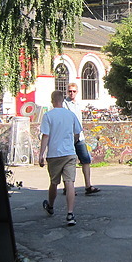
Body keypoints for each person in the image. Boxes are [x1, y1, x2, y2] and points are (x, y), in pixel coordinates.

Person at [39, 90, 82, 226]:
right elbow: (77, 133)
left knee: (54, 182)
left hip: (54, 154)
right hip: (69, 153)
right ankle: (70, 214)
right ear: (63, 100)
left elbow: (45, 136)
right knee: (70, 183)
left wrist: (41, 154)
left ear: (52, 101)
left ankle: (51, 206)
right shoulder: (70, 115)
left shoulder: (48, 116)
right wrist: (71, 143)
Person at [63, 82, 100, 196]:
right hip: (69, 137)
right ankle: (68, 188)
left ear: (77, 92)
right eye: (70, 91)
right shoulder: (65, 104)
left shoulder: (78, 104)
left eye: (74, 91)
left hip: (80, 137)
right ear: (67, 92)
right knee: (68, 162)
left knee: (86, 160)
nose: (72, 93)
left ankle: (88, 186)